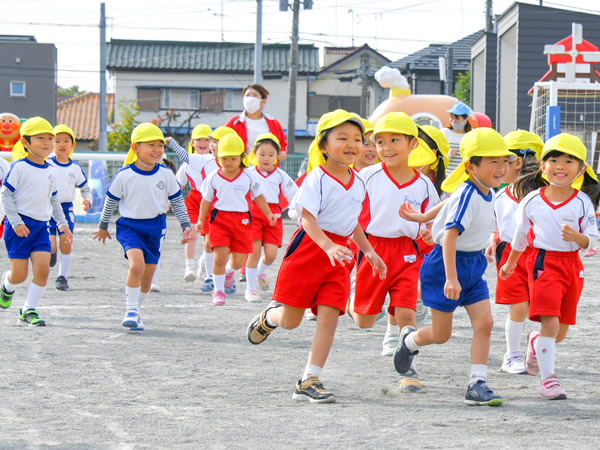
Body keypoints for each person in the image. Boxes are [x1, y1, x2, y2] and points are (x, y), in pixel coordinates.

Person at [246, 109, 387, 403]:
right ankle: (270, 317)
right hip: (310, 249)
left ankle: (309, 378)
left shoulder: (359, 182)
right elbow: (307, 219)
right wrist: (328, 246)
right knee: (291, 321)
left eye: (358, 139)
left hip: (340, 256)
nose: (353, 144)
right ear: (323, 146)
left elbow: (353, 223)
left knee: (329, 317)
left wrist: (370, 251)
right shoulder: (317, 178)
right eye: (342, 138)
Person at [394, 127, 515, 406]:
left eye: (504, 161)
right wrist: (451, 278)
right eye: (492, 161)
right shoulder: (470, 193)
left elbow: (448, 201)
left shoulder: (487, 188)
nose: (501, 167)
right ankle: (410, 342)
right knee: (441, 334)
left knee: (485, 323)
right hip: (445, 266)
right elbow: (449, 236)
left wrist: (423, 215)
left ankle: (477, 384)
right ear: (471, 166)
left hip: (472, 265)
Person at [499, 133, 600, 400]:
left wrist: (578, 238)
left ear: (581, 168)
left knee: (559, 331)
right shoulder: (531, 201)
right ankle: (548, 381)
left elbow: (592, 237)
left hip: (572, 267)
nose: (560, 166)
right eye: (553, 159)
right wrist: (510, 264)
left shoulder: (583, 202)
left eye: (569, 160)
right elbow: (520, 237)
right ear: (543, 166)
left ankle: (535, 342)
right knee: (551, 324)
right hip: (542, 263)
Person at [349, 112, 439, 393]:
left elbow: (432, 217)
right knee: (363, 321)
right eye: (379, 141)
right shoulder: (366, 175)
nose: (386, 147)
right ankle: (354, 294)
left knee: (407, 312)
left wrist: (429, 230)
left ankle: (407, 369)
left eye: (394, 140)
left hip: (408, 254)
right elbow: (349, 210)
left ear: (413, 144)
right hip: (372, 250)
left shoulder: (424, 183)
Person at [93, 123, 192, 331]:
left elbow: (177, 202)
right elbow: (110, 201)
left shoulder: (166, 174)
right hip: (130, 226)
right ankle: (130, 310)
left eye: (159, 145)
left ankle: (136, 311)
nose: (156, 149)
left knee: (147, 279)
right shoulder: (124, 175)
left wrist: (186, 224)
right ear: (135, 147)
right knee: (136, 266)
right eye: (150, 145)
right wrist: (103, 226)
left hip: (156, 228)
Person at [0, 117, 73, 326]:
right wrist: (15, 222)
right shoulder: (19, 167)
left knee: (43, 269)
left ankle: (28, 310)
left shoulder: (51, 170)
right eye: (40, 138)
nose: (47, 142)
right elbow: (5, 196)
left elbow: (54, 199)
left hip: (41, 228)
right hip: (18, 229)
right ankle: (7, 285)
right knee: (19, 275)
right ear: (25, 143)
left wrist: (62, 224)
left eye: (50, 138)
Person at [485, 130, 543, 374]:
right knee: (518, 306)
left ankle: (534, 343)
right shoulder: (499, 195)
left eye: (502, 161)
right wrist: (492, 240)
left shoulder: (544, 195)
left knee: (542, 310)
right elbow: (497, 225)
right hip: (509, 253)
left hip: (540, 253)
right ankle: (512, 354)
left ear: (518, 162)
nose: (498, 168)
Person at [197, 133, 276, 305]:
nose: (229, 162)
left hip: (242, 220)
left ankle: (227, 272)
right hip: (220, 219)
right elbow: (206, 200)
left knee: (238, 261)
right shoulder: (213, 178)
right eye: (224, 158)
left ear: (242, 157)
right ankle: (218, 292)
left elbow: (259, 196)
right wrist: (201, 220)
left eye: (233, 158)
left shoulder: (249, 175)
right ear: (218, 158)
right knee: (220, 256)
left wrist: (268, 213)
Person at [167, 126, 236, 293]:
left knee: (229, 245)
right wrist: (172, 143)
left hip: (229, 206)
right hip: (206, 202)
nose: (209, 144)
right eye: (207, 140)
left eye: (213, 141)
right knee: (206, 239)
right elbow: (182, 165)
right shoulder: (205, 160)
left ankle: (227, 274)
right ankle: (207, 275)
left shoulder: (237, 164)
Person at [244, 133, 298, 302]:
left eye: (271, 155)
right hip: (253, 213)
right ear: (254, 154)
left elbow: (294, 195)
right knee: (253, 252)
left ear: (277, 156)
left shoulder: (280, 175)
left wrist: (301, 215)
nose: (266, 158)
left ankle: (258, 273)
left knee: (271, 254)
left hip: (274, 215)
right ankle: (250, 289)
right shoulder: (249, 173)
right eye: (262, 154)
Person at [47, 124, 93, 291]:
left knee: (66, 242)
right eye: (57, 140)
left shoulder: (75, 168)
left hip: (66, 209)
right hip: (47, 209)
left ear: (73, 145)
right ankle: (51, 254)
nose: (62, 144)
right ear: (51, 143)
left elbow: (85, 188)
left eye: (66, 141)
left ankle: (62, 277)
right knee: (51, 245)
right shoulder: (46, 164)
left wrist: (87, 200)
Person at [176, 124, 212, 282]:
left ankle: (204, 263)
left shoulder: (216, 162)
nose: (203, 142)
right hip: (194, 199)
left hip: (211, 200)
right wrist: (169, 201)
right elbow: (177, 186)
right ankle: (189, 267)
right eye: (199, 139)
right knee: (191, 234)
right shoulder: (186, 165)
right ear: (192, 143)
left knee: (210, 238)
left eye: (207, 139)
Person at [225, 83, 287, 160]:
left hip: (267, 170)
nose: (250, 98)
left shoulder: (274, 123)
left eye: (255, 95)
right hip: (242, 169)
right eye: (247, 95)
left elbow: (282, 145)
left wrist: (283, 152)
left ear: (263, 101)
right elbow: (223, 143)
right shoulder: (234, 122)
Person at [442, 102, 472, 173]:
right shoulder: (444, 133)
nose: (453, 121)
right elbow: (437, 156)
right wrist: (448, 154)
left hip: (464, 177)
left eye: (457, 118)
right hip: (447, 176)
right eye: (452, 118)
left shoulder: (471, 135)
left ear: (465, 120)